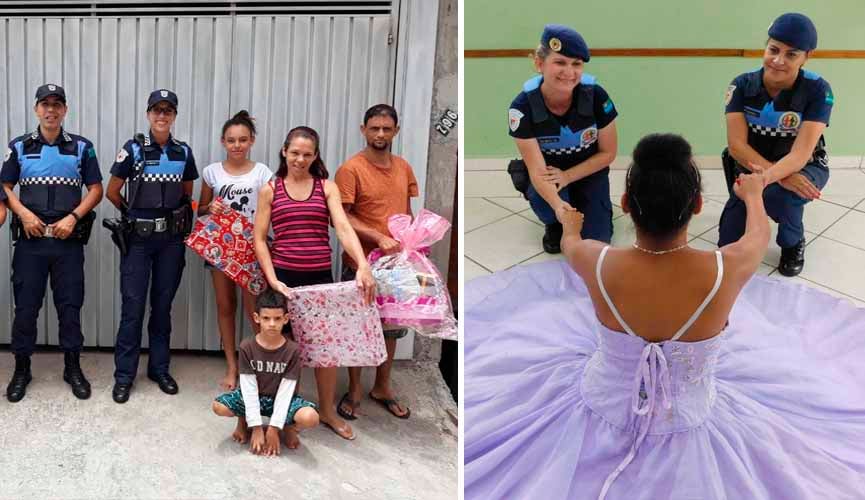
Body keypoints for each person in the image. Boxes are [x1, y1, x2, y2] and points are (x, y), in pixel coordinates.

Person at [464, 133, 865, 499]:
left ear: (624, 204)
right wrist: (755, 195)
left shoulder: (594, 259)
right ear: (697, 205)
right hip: (693, 409)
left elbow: (570, 242)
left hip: (602, 400)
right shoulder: (730, 266)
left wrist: (569, 224)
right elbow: (757, 236)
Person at [253, 126, 375, 441]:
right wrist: (272, 280)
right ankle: (278, 414)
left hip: (320, 280)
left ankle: (327, 411)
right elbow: (260, 239)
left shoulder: (326, 188)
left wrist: (363, 265)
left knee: (325, 352)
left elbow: (345, 229)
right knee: (278, 349)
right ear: (284, 151)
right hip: (283, 281)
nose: (300, 159)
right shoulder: (270, 189)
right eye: (295, 152)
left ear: (315, 156)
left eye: (307, 154)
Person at [1, 84, 103, 402]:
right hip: (31, 244)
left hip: (67, 243)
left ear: (65, 110)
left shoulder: (82, 147)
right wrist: (24, 214)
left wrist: (73, 217)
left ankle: (72, 367)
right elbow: (4, 185)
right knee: (26, 309)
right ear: (36, 109)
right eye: (45, 104)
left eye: (57, 104)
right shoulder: (19, 146)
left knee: (69, 308)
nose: (51, 110)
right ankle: (22, 368)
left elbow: (97, 189)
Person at [718, 13, 832, 277]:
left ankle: (792, 242)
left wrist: (765, 180)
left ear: (807, 56)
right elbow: (736, 145)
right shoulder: (742, 84)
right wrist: (774, 176)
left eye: (791, 54)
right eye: (773, 50)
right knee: (727, 245)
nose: (778, 60)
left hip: (804, 165)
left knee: (782, 196)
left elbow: (802, 153)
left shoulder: (818, 90)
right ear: (766, 47)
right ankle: (758, 204)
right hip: (751, 163)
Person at [106, 89, 198, 403]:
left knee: (162, 307)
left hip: (171, 242)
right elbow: (112, 191)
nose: (162, 116)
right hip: (139, 242)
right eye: (156, 110)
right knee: (132, 308)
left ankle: (159, 369)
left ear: (174, 116)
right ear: (148, 114)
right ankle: (124, 376)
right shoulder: (132, 149)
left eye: (168, 111)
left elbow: (187, 194)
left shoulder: (183, 152)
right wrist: (133, 217)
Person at [334, 104, 418, 421]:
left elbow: (405, 212)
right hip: (360, 263)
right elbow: (340, 218)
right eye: (374, 128)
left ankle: (382, 387)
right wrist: (377, 236)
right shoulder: (351, 169)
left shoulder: (403, 167)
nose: (380, 134)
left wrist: (413, 245)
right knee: (358, 328)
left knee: (391, 330)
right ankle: (354, 390)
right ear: (363, 130)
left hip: (396, 265)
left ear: (396, 131)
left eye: (386, 128)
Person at [507, 24, 618, 253]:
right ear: (539, 64)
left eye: (576, 64)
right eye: (560, 62)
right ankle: (553, 222)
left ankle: (595, 204)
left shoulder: (596, 96)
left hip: (587, 171)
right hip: (548, 174)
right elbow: (538, 171)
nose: (569, 72)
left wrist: (567, 176)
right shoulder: (522, 107)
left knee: (598, 241)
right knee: (551, 207)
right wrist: (558, 207)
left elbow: (608, 153)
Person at [198, 110, 272, 391]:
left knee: (256, 309)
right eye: (231, 140)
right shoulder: (211, 172)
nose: (237, 145)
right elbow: (200, 211)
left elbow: (270, 209)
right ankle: (232, 365)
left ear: (252, 140)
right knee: (225, 307)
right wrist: (208, 208)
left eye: (242, 140)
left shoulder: (263, 172)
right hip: (221, 249)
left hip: (253, 248)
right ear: (223, 142)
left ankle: (259, 364)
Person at [211, 288, 319, 455]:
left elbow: (286, 391)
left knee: (310, 417)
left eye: (277, 319)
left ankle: (287, 426)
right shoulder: (247, 347)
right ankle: (243, 421)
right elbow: (248, 388)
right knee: (219, 406)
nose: (271, 324)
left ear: (285, 319)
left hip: (280, 398)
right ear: (257, 318)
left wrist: (274, 428)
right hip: (255, 396)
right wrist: (256, 427)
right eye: (266, 318)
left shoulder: (292, 350)